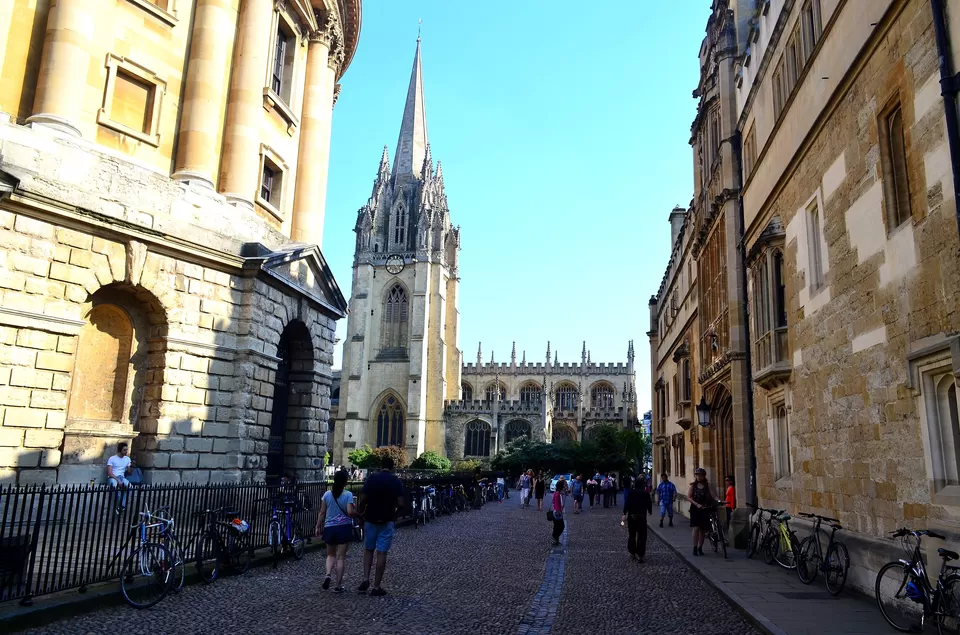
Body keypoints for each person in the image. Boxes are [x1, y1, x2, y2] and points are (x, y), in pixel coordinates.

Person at [356, 456, 405, 595]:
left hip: (370, 518)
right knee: (382, 553)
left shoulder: (372, 478)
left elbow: (363, 499)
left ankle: (365, 578)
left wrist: (360, 515)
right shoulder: (395, 481)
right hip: (386, 519)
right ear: (392, 468)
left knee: (369, 549)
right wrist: (394, 514)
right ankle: (376, 587)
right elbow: (401, 504)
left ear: (381, 466)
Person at [316, 469, 355, 593]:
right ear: (345, 482)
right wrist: (358, 514)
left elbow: (322, 512)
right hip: (344, 528)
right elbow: (349, 512)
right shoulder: (348, 494)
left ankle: (328, 575)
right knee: (341, 558)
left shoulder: (327, 495)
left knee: (330, 555)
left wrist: (318, 526)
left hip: (330, 528)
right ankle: (338, 585)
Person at [622, 477, 653, 562]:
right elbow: (649, 503)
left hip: (632, 517)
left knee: (632, 536)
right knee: (642, 536)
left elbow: (627, 503)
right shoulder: (645, 493)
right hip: (642, 517)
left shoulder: (631, 493)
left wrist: (624, 513)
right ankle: (640, 555)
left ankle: (632, 552)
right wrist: (650, 511)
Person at [688, 468, 717, 556]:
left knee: (703, 530)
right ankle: (694, 547)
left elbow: (714, 496)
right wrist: (696, 504)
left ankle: (700, 547)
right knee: (696, 528)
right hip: (695, 509)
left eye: (700, 475)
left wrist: (719, 501)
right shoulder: (693, 486)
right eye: (697, 475)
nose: (698, 477)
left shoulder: (708, 485)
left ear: (704, 476)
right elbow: (689, 497)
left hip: (705, 509)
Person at [106, 442, 133, 513]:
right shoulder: (112, 458)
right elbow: (109, 472)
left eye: (127, 450)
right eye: (124, 450)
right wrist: (118, 480)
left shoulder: (127, 459)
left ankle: (122, 505)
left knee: (130, 487)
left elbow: (130, 473)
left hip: (122, 477)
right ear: (120, 450)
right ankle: (119, 504)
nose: (126, 452)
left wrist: (130, 466)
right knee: (114, 487)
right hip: (113, 477)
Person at [551, 479, 567, 546]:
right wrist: (558, 512)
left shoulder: (556, 493)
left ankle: (556, 539)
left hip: (556, 511)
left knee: (557, 526)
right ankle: (555, 538)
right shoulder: (558, 494)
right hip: (557, 512)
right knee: (560, 526)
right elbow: (557, 503)